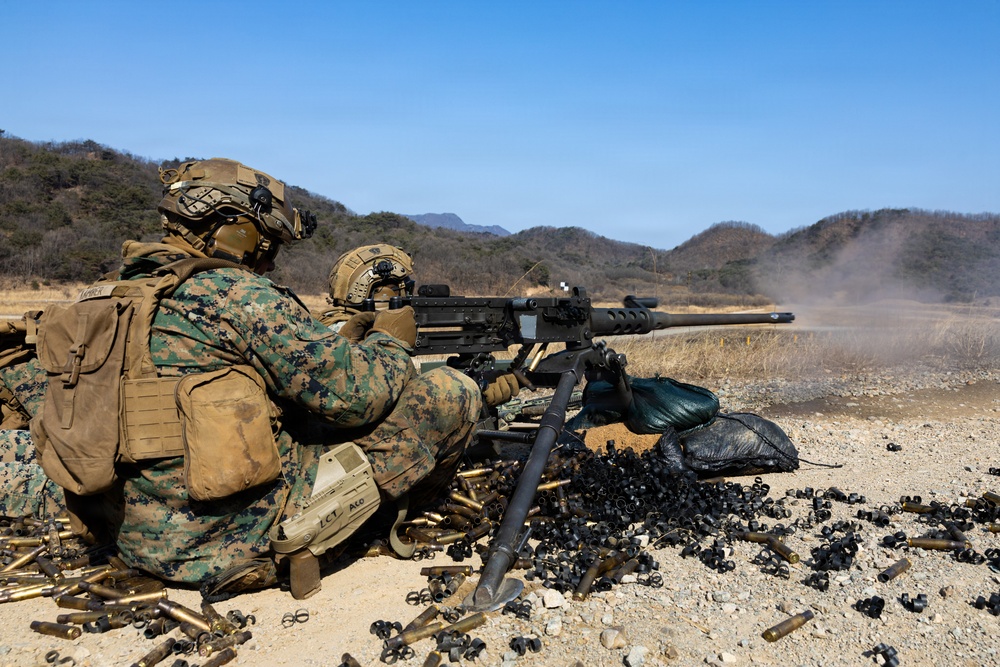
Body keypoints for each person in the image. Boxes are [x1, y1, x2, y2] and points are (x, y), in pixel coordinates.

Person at [27, 157, 519, 598]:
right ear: (235, 231)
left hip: (135, 539)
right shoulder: (232, 293)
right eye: (268, 243)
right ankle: (384, 520)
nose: (269, 259)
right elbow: (357, 399)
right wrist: (390, 340)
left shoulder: (109, 298)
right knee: (449, 392)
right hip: (239, 544)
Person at [319, 243, 415, 331]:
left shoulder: (329, 324)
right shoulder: (353, 333)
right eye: (398, 289)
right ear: (382, 295)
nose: (405, 296)